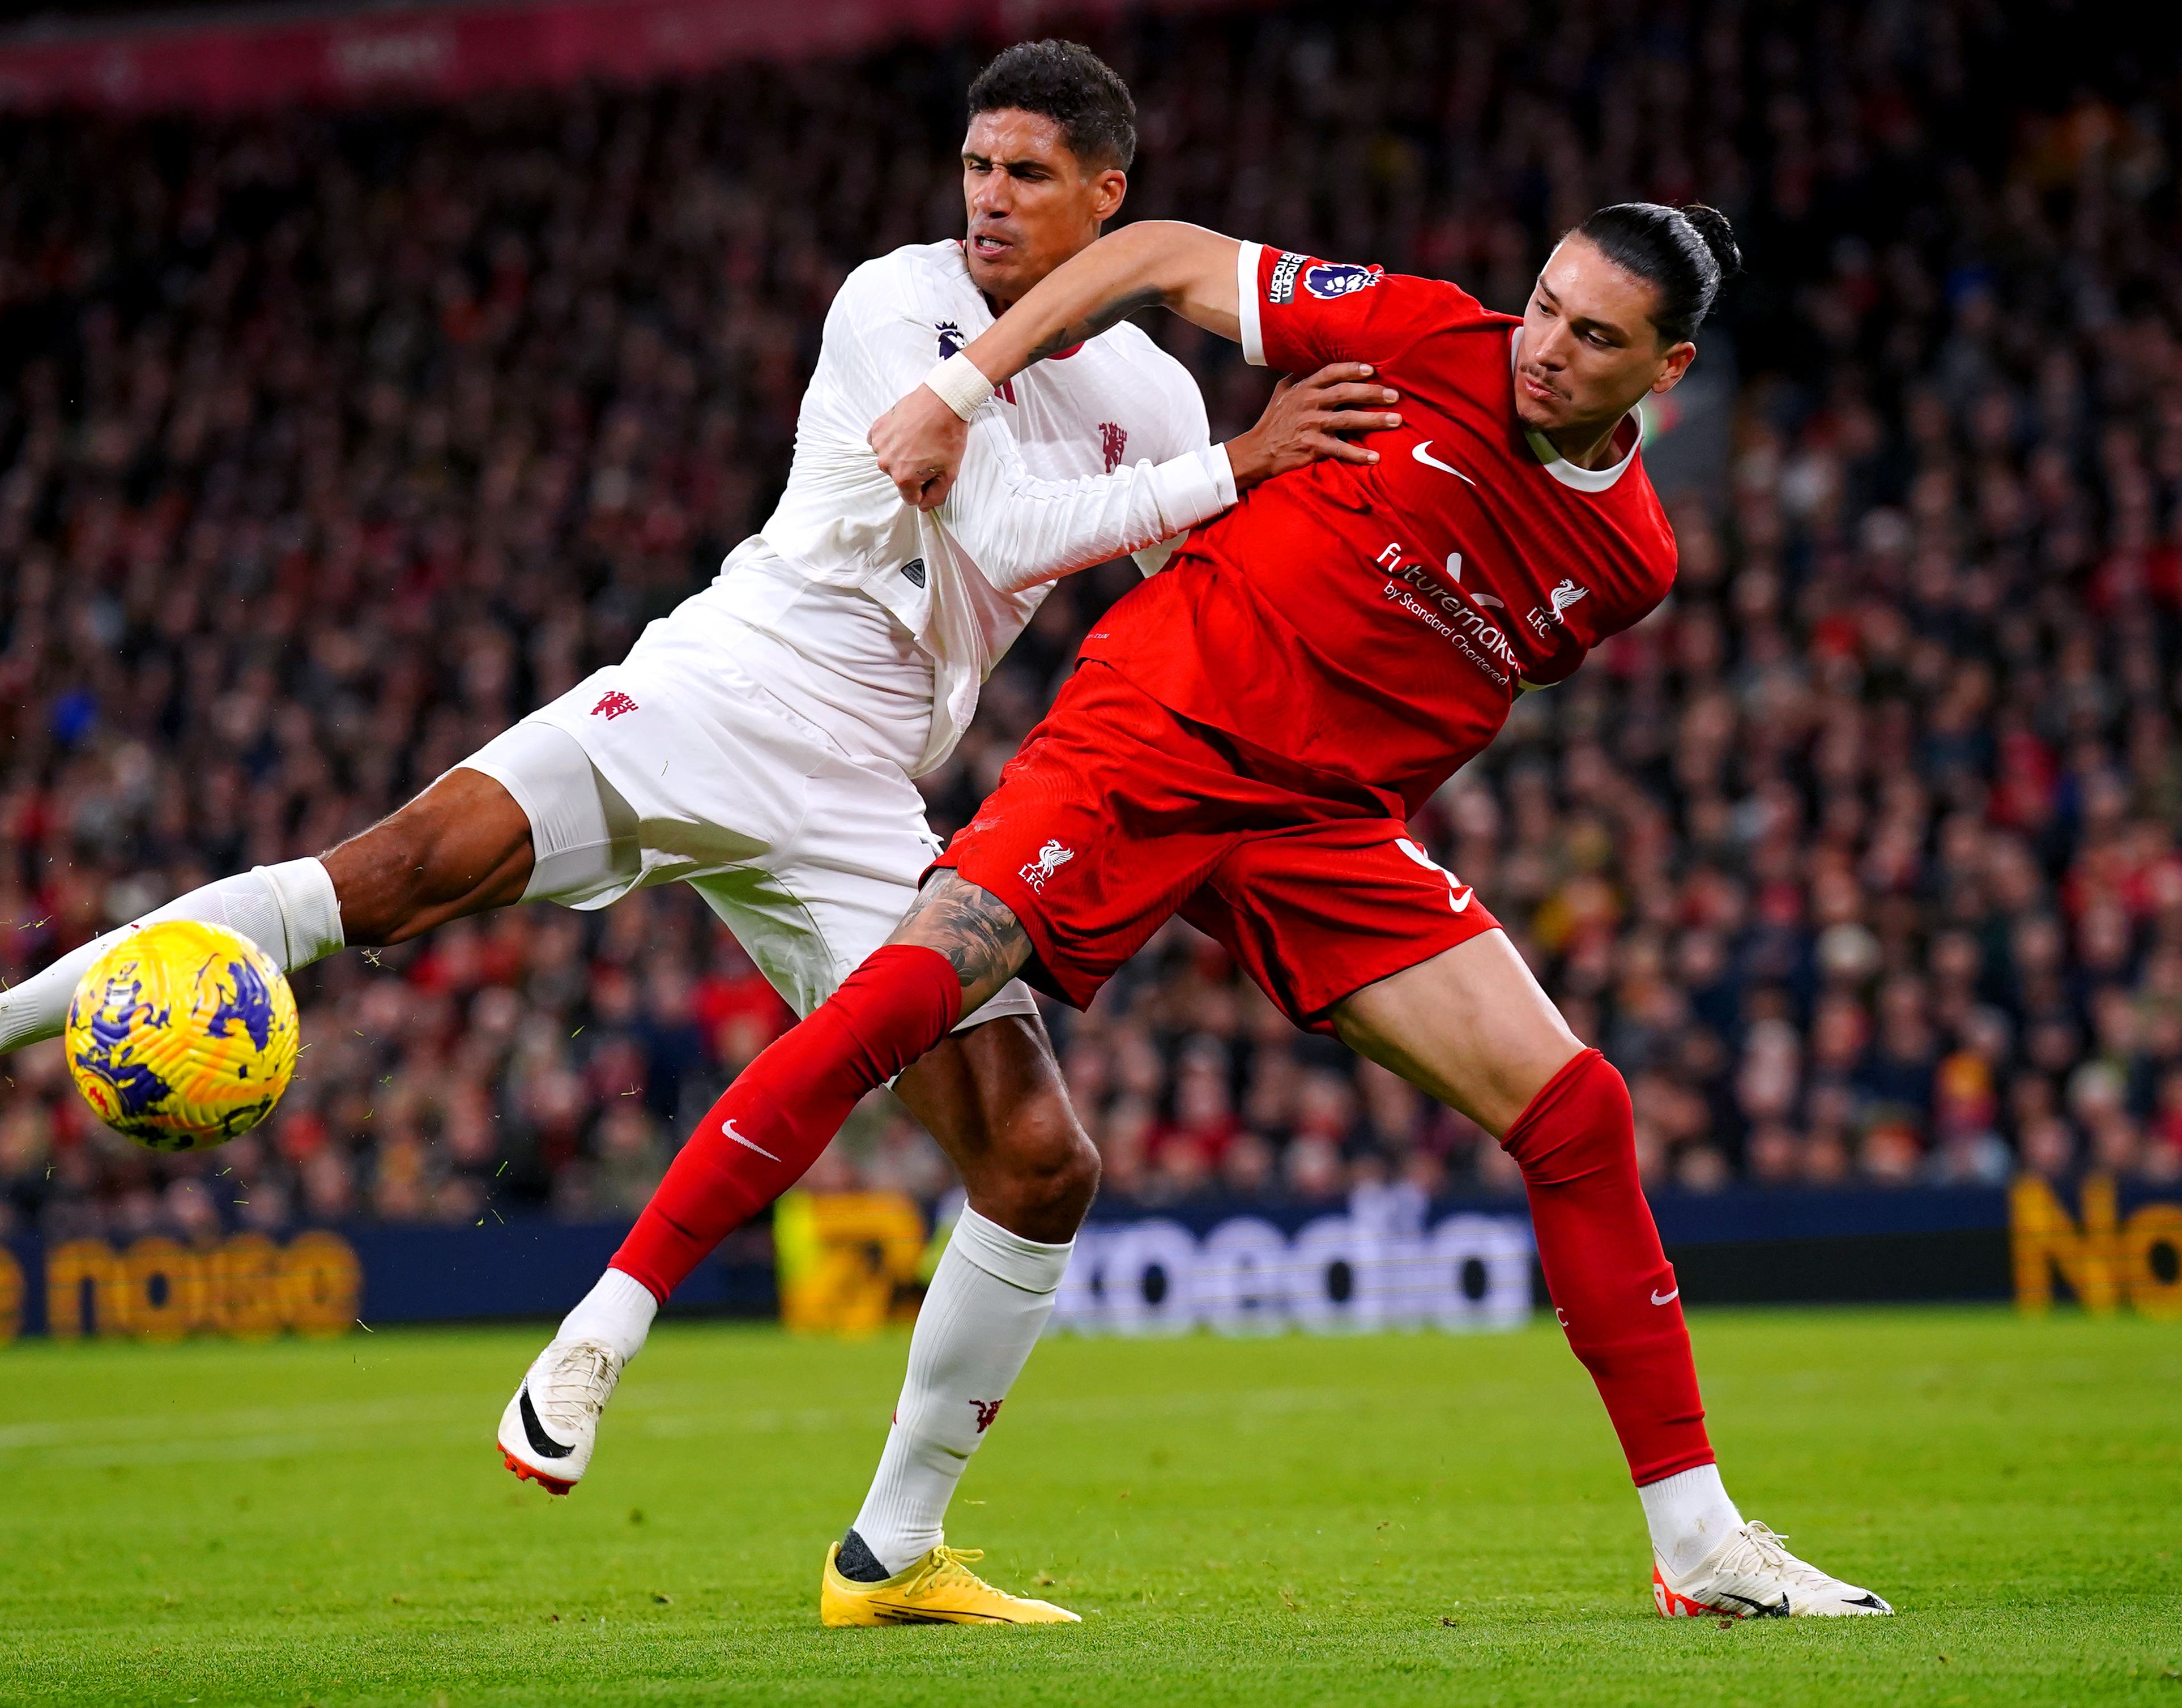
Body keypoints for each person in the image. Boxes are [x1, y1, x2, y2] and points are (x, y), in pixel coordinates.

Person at [0, 41, 1400, 1624]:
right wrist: (1236, 465)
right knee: (383, 879)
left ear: (1107, 197)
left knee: (1036, 1160)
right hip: (714, 689)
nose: (988, 200)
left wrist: (1299, 653)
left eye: (1026, 174)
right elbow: (999, 528)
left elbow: (1185, 622)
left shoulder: (1147, 394)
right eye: (975, 166)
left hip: (864, 798)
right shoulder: (896, 301)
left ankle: (889, 1554)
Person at [600, 203, 1898, 1621]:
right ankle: (610, 1321)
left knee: (1577, 1110)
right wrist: (960, 389)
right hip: (1162, 722)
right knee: (921, 984)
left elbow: (1447, 680)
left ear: (1669, 371)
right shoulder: (1421, 335)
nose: (1541, 348)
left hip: (1320, 822)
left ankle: (1702, 1546)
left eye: (1592, 337)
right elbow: (1156, 252)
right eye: (1541, 305)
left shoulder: (1633, 563)